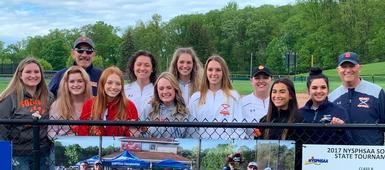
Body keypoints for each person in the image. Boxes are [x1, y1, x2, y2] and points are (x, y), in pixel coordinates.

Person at [0, 57, 55, 169]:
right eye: (28, 72)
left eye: (36, 72)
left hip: (44, 152)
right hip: (18, 154)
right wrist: (4, 163)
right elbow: (2, 131)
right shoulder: (9, 98)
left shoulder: (49, 97)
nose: (33, 75)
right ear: (20, 75)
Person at [329, 52, 385, 145]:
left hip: (370, 154)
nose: (348, 70)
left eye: (352, 66)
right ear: (338, 70)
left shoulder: (377, 92)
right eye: (344, 66)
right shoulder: (332, 97)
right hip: (341, 155)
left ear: (359, 68)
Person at [189, 55, 243, 139]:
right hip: (201, 147)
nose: (214, 73)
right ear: (206, 72)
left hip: (227, 148)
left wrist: (230, 146)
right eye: (210, 70)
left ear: (223, 72)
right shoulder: (196, 97)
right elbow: (192, 129)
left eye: (218, 70)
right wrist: (198, 146)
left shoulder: (233, 96)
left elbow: (239, 128)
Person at [76, 66, 139, 136]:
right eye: (109, 83)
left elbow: (132, 136)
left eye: (118, 84)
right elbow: (82, 133)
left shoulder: (129, 106)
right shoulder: (90, 104)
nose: (113, 87)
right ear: (103, 84)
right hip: (93, 146)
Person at [299, 67, 350, 144]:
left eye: (323, 87)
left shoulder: (339, 111)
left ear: (328, 90)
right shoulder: (300, 113)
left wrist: (341, 129)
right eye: (314, 88)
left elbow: (349, 141)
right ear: (308, 91)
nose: (319, 91)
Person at [142, 72, 191, 138]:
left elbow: (190, 139)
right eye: (161, 88)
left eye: (169, 88)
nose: (165, 92)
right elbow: (140, 135)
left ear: (175, 89)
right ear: (157, 91)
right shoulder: (149, 109)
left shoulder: (185, 113)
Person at [49, 66, 92, 138]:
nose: (76, 85)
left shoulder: (95, 104)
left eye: (80, 81)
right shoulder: (56, 105)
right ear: (66, 84)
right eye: (72, 81)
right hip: (64, 146)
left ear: (85, 83)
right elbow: (51, 132)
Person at [124, 50, 158, 120]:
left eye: (147, 65)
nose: (142, 68)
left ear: (152, 69)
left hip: (152, 130)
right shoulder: (124, 90)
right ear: (133, 67)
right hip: (129, 130)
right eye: (139, 64)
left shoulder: (159, 90)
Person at [241, 65, 272, 138]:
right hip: (250, 146)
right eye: (257, 78)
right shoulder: (242, 103)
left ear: (271, 79)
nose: (261, 81)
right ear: (251, 80)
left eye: (265, 78)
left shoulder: (277, 101)